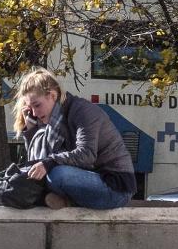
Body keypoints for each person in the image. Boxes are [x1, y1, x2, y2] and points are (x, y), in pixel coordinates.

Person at [14, 68, 136, 210]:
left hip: (115, 188)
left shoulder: (83, 111)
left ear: (52, 95)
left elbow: (86, 154)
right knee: (38, 177)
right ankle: (66, 202)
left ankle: (67, 202)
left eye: (37, 105)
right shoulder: (52, 121)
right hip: (87, 180)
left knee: (57, 175)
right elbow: (37, 162)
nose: (34, 112)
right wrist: (32, 131)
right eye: (30, 108)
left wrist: (50, 162)